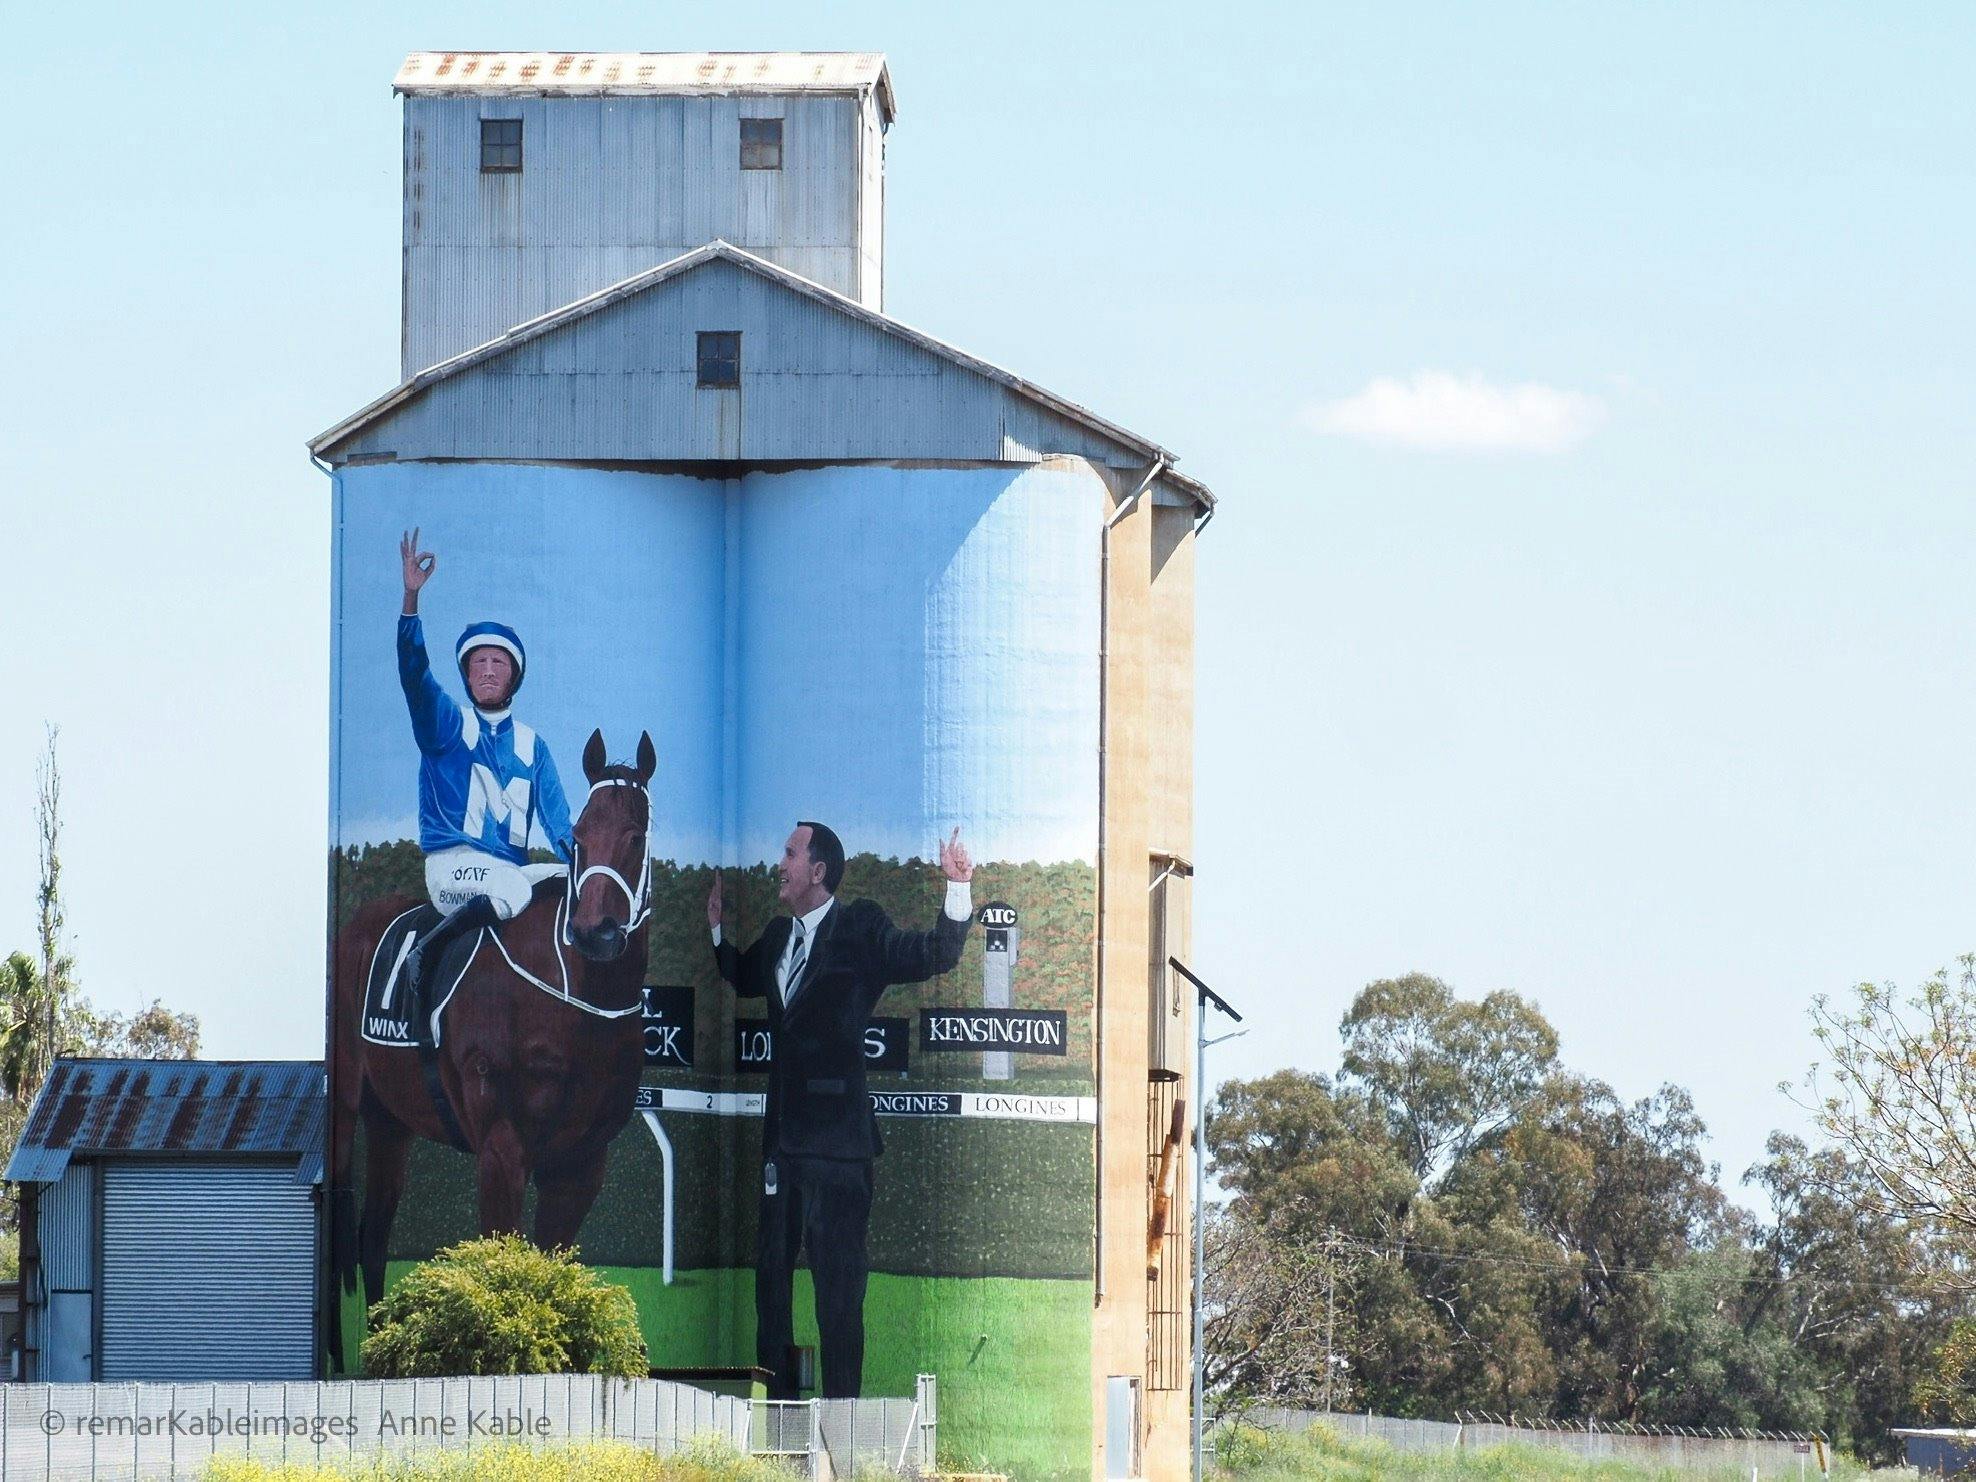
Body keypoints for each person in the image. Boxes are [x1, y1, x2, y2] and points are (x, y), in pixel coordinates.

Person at [707, 822, 974, 1399]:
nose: (779, 864)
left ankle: (843, 1432)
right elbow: (740, 973)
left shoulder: (859, 928)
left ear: (818, 870)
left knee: (839, 1298)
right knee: (770, 1295)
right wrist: (715, 929)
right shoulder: (780, 936)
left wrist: (957, 889)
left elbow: (933, 953)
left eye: (788, 852)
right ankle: (778, 1429)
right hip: (782, 1149)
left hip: (839, 1152)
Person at [396, 529, 574, 1026]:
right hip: (453, 868)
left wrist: (582, 866)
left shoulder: (533, 746)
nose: (489, 671)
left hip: (507, 874)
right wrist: (411, 601)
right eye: (479, 663)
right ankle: (426, 953)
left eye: (499, 662)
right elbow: (415, 677)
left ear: (514, 676)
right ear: (466, 674)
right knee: (516, 891)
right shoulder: (448, 722)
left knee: (569, 883)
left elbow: (560, 826)